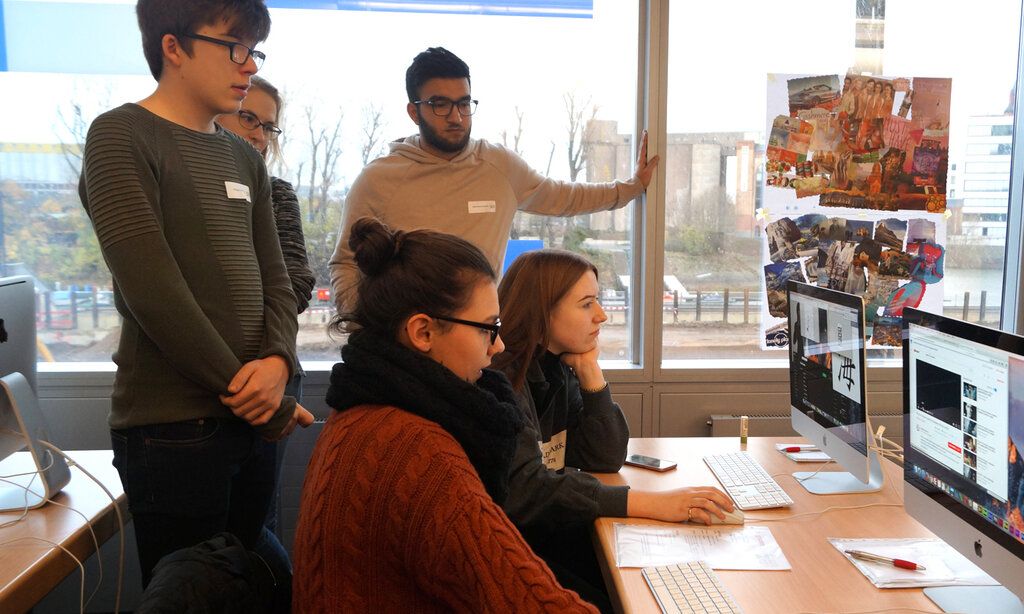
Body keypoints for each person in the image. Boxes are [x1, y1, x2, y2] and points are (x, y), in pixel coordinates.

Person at [78, 0, 313, 587]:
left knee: (252, 582)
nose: (248, 67)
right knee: (194, 595)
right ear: (173, 47)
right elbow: (153, 295)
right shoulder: (119, 136)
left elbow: (277, 280)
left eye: (254, 51)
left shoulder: (241, 156)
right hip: (175, 430)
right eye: (233, 48)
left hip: (253, 418)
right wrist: (261, 395)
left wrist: (281, 361)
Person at [292, 218, 597, 613]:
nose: (498, 346)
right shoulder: (418, 450)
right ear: (422, 333)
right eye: (488, 328)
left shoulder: (361, 413)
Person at [328, 46, 659, 313]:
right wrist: (367, 330)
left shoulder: (498, 165)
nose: (456, 117)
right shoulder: (378, 179)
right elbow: (346, 264)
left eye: (463, 103)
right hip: (401, 352)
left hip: (478, 345)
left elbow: (563, 197)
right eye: (439, 105)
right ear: (414, 112)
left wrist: (632, 188)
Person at [492, 249, 733, 609]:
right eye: (587, 304)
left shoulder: (556, 367)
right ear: (542, 310)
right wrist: (651, 503)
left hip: (545, 534)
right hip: (515, 547)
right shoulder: (502, 379)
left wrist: (590, 373)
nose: (602, 316)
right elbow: (529, 489)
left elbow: (603, 456)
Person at [216, 75, 315, 544]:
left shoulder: (277, 193)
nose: (259, 134)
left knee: (258, 526)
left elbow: (297, 282)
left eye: (269, 126)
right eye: (248, 118)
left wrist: (270, 356)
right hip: (206, 373)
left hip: (276, 369)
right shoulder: (187, 186)